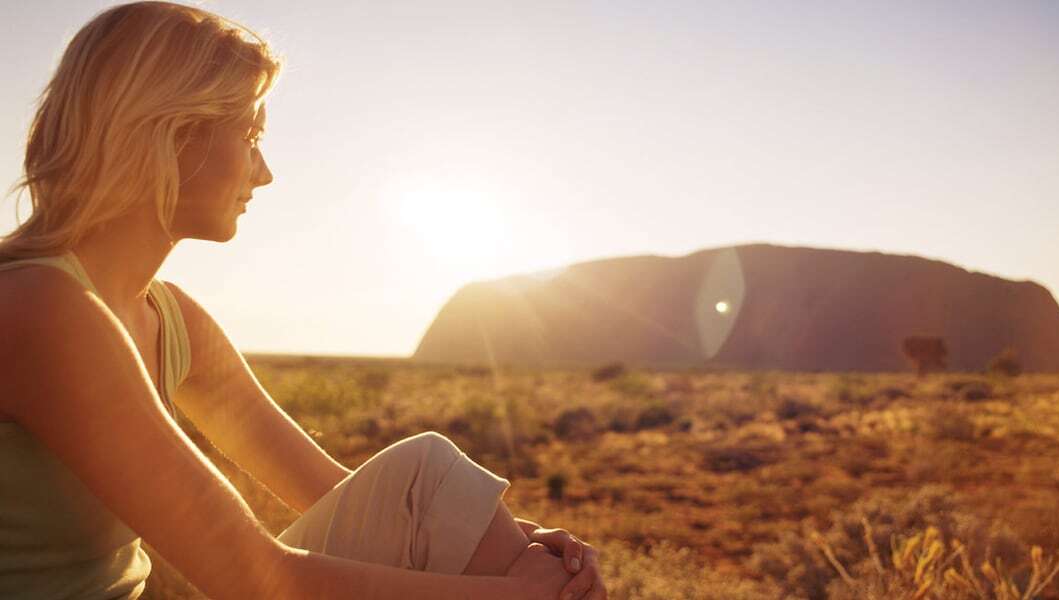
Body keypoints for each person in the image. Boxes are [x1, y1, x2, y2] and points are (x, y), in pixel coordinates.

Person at [0, 2, 606, 599]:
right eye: (249, 134)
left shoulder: (169, 317)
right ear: (172, 133)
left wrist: (506, 540)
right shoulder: (42, 307)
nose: (263, 172)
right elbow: (259, 581)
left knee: (425, 475)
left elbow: (338, 492)